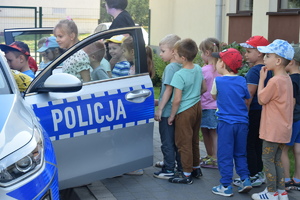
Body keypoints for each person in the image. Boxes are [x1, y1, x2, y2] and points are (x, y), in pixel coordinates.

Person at [251, 39, 294, 200]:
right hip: (283, 129)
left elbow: (261, 99)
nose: (264, 59)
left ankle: (270, 192)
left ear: (278, 61)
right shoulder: (287, 79)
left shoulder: (274, 81)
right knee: (277, 160)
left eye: (268, 55)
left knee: (267, 160)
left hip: (272, 130)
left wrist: (261, 80)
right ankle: (281, 191)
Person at [211, 48, 252, 196]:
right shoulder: (242, 80)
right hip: (242, 123)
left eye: (218, 60)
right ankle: (245, 179)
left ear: (222, 64)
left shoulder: (218, 80)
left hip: (226, 123)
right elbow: (247, 98)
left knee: (225, 154)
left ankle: (226, 185)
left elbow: (214, 96)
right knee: (240, 153)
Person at [233, 36, 272, 188]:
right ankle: (258, 172)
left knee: (249, 143)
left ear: (260, 53)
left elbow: (248, 96)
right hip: (262, 111)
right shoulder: (267, 69)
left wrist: (243, 116)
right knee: (257, 143)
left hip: (253, 112)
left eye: (249, 51)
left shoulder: (254, 71)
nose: (245, 55)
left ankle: (251, 175)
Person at [167, 38, 206, 184]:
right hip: (197, 108)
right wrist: (194, 96)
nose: (173, 55)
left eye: (175, 54)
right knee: (194, 139)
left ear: (182, 58)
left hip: (184, 111)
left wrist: (172, 116)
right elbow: (204, 88)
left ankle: (186, 173)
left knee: (183, 143)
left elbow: (176, 100)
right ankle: (196, 168)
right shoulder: (197, 68)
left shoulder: (179, 75)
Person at [153, 34, 182, 179]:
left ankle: (169, 168)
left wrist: (160, 109)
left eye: (163, 51)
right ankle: (178, 166)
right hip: (178, 111)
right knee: (176, 142)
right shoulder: (182, 66)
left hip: (167, 112)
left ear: (173, 51)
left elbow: (168, 90)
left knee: (167, 142)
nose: (160, 54)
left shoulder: (171, 68)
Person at [198, 37, 222, 169]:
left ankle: (214, 157)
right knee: (213, 132)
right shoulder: (221, 68)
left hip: (206, 106)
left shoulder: (204, 70)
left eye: (202, 53)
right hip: (217, 106)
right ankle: (212, 156)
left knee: (207, 132)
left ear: (207, 53)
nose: (201, 56)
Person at [281, 46, 300, 192]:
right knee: (298, 150)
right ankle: (298, 179)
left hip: (293, 119)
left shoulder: (291, 80)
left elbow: (291, 103)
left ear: (291, 62)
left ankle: (286, 180)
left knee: (283, 150)